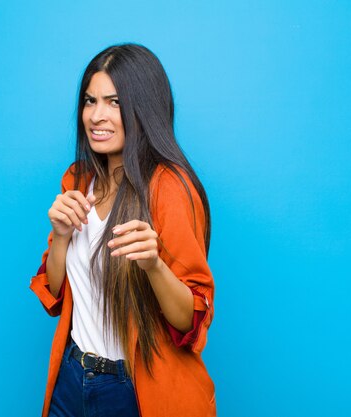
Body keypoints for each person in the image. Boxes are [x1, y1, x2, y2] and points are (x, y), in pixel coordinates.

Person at [30, 43, 216, 417]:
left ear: (142, 109)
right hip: (71, 377)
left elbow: (189, 321)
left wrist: (154, 265)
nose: (96, 116)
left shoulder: (168, 187)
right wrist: (62, 237)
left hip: (132, 389)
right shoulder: (79, 179)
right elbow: (55, 292)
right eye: (90, 101)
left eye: (114, 102)